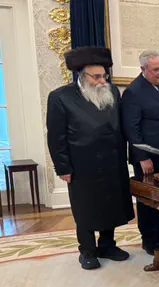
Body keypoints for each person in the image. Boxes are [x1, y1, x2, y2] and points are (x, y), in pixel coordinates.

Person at [47, 47, 135, 270]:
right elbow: (56, 137)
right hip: (82, 164)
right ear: (82, 75)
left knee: (111, 204)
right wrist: (63, 167)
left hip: (112, 161)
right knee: (85, 208)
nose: (102, 81)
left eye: (104, 76)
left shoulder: (112, 91)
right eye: (96, 77)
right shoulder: (60, 97)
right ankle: (87, 250)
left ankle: (107, 245)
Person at [121, 49, 159, 255]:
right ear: (143, 70)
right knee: (148, 199)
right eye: (156, 69)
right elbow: (131, 128)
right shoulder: (134, 92)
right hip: (149, 157)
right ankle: (150, 240)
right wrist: (142, 157)